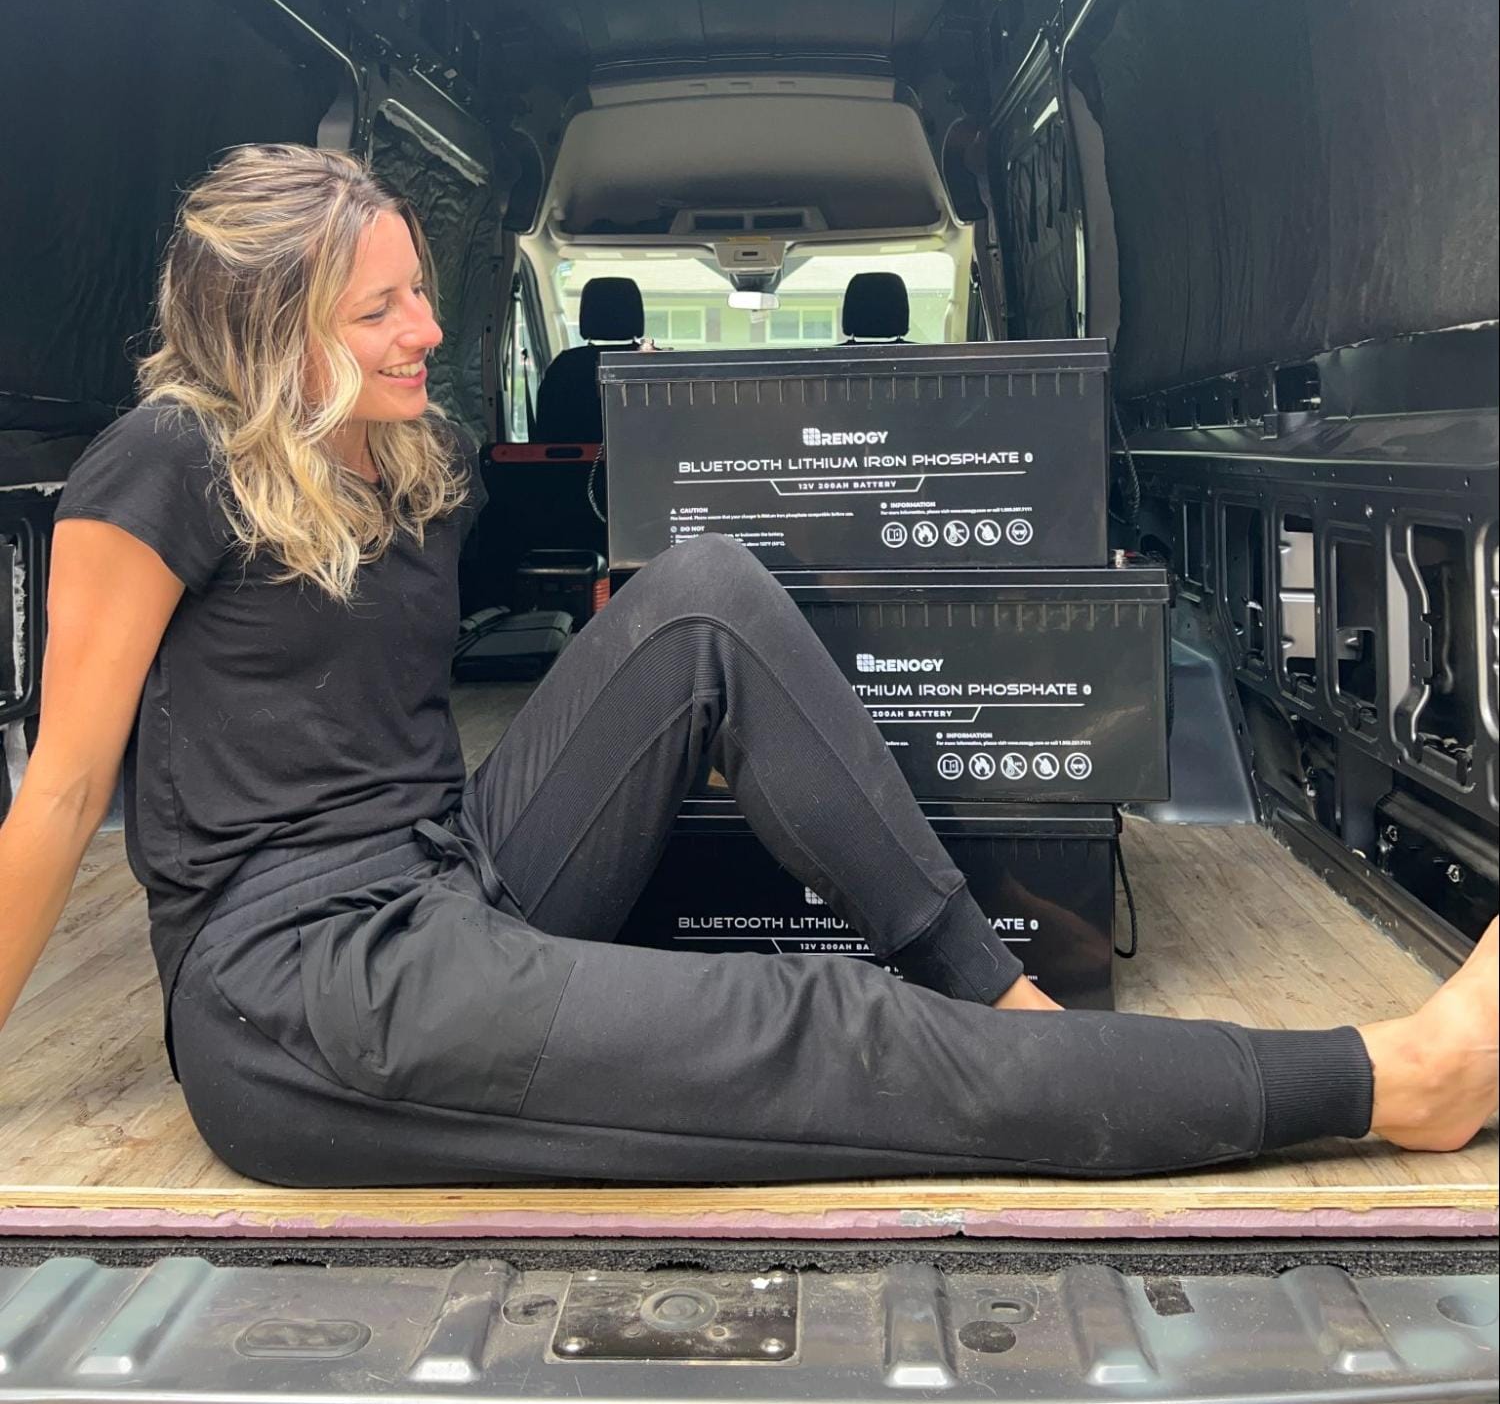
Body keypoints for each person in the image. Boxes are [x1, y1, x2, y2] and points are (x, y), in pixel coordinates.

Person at [0, 144, 1494, 1189]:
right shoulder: (164, 465)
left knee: (704, 591)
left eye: (421, 289)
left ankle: (992, 991)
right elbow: (62, 798)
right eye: (381, 305)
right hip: (305, 993)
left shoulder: (384, 460)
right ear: (273, 332)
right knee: (811, 1025)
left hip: (444, 870)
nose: (430, 327)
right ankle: (1390, 1083)